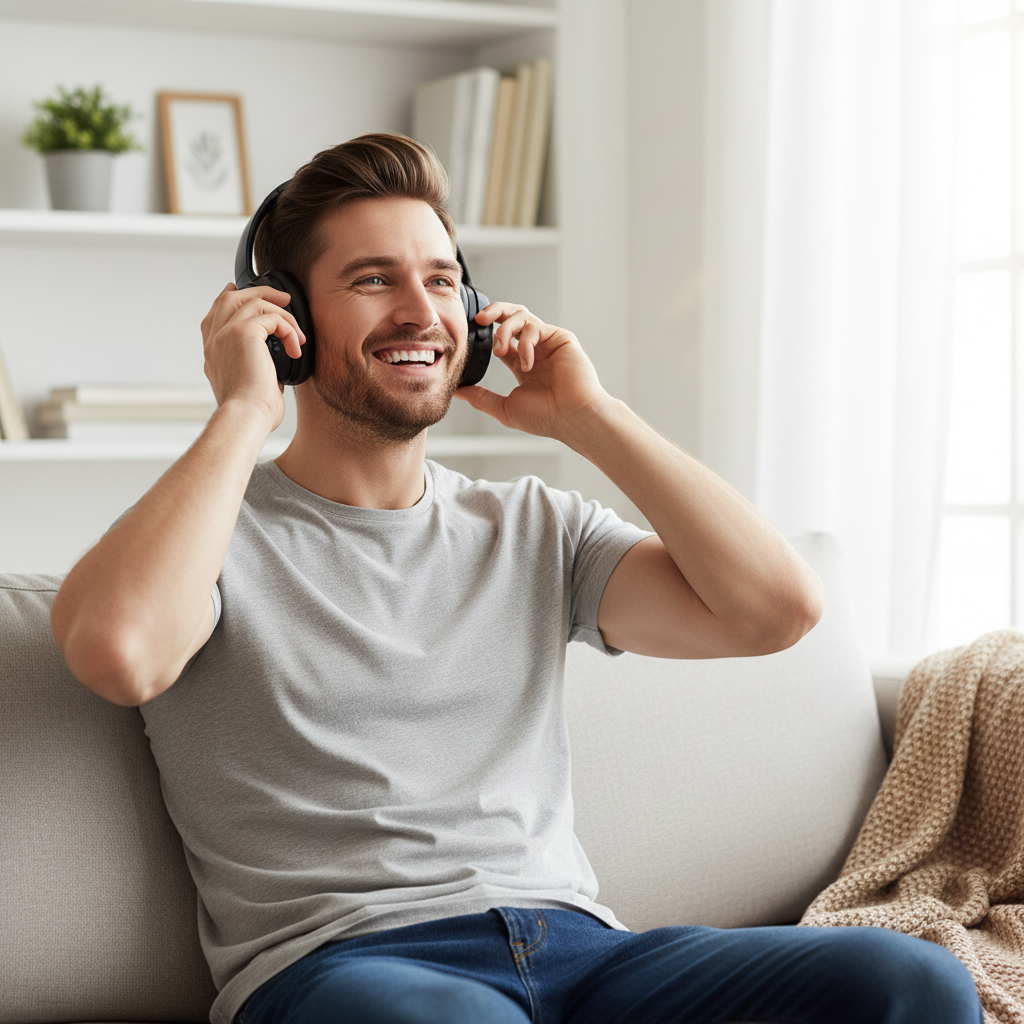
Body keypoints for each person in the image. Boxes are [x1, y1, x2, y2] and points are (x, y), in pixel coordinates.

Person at [50, 133, 981, 1024]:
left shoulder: (534, 525)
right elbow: (118, 654)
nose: (421, 310)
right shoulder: (208, 533)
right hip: (351, 965)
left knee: (913, 979)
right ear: (286, 321)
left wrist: (592, 417)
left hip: (585, 952)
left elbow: (776, 611)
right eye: (373, 280)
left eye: (444, 280)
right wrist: (246, 407)